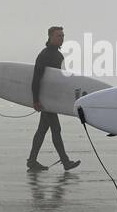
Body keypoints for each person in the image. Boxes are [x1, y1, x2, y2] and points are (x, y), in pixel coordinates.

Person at [28, 26, 81, 172]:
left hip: (52, 99)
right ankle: (65, 162)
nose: (61, 38)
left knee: (42, 130)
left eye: (63, 36)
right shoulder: (44, 55)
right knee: (55, 129)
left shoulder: (58, 56)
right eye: (58, 36)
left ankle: (32, 161)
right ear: (50, 37)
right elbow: (36, 79)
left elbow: (59, 80)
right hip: (46, 99)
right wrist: (36, 99)